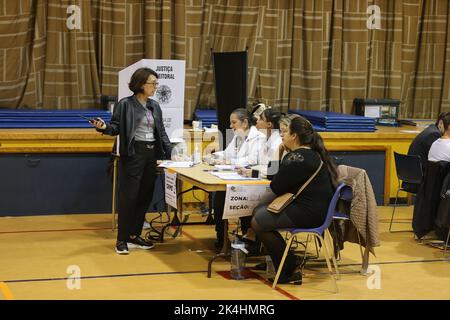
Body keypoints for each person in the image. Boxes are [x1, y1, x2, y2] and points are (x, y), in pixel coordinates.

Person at [91, 67, 173, 255]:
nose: (155, 87)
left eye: (156, 83)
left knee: (145, 195)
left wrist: (172, 152)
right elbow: (115, 128)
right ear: (141, 84)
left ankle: (135, 235)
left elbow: (161, 132)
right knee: (129, 197)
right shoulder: (125, 104)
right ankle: (122, 239)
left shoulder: (155, 106)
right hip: (133, 154)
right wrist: (103, 127)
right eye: (153, 83)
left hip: (151, 155)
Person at [251, 115, 338, 284]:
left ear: (294, 136)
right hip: (315, 209)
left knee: (259, 221)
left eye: (285, 132)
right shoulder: (308, 154)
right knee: (258, 212)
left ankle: (287, 267)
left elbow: (276, 186)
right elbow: (276, 180)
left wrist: (278, 152)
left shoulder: (297, 158)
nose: (281, 135)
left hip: (310, 213)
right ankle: (285, 261)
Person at [207, 108, 266, 248]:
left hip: (253, 182)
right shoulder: (238, 135)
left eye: (234, 122)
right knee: (219, 198)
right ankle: (221, 236)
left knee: (229, 199)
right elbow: (227, 153)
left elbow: (251, 160)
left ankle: (250, 240)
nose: (231, 126)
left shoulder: (260, 138)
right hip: (236, 178)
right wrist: (213, 156)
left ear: (245, 122)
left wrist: (230, 162)